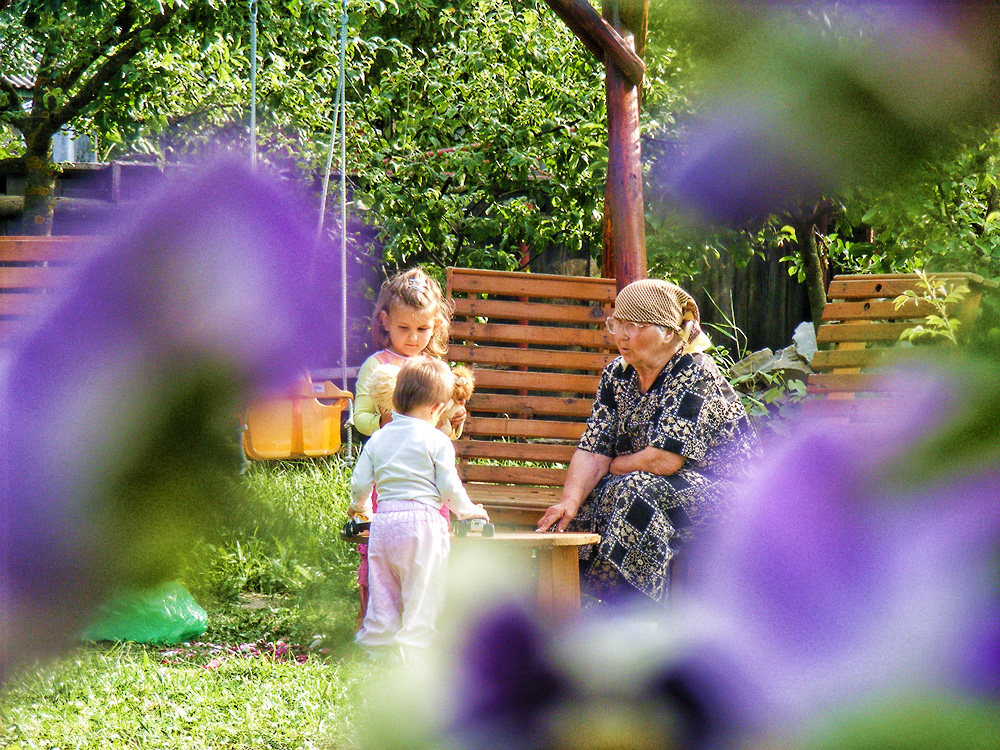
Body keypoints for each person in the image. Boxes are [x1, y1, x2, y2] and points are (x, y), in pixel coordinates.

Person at [536, 278, 760, 603]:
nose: (622, 335)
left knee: (638, 491)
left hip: (732, 497)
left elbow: (664, 460)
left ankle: (628, 615)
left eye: (635, 325)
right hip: (659, 486)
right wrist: (569, 500)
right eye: (618, 324)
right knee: (583, 505)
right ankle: (561, 612)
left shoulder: (695, 373)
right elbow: (593, 449)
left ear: (667, 332)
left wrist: (615, 464)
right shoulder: (618, 374)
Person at [351, 268, 466, 628]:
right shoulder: (377, 366)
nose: (413, 338)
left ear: (436, 327)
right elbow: (360, 418)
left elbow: (445, 431)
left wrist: (455, 421)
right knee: (381, 548)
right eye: (404, 329)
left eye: (422, 329)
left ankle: (424, 618)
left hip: (430, 483)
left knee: (428, 551)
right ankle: (377, 612)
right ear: (385, 321)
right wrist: (386, 423)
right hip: (389, 478)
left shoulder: (437, 370)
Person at [349, 359, 489, 652]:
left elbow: (361, 481)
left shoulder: (377, 438)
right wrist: (468, 511)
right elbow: (448, 487)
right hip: (423, 524)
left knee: (383, 589)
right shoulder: (437, 440)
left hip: (383, 523)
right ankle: (414, 649)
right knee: (424, 591)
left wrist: (359, 507)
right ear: (439, 408)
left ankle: (375, 645)